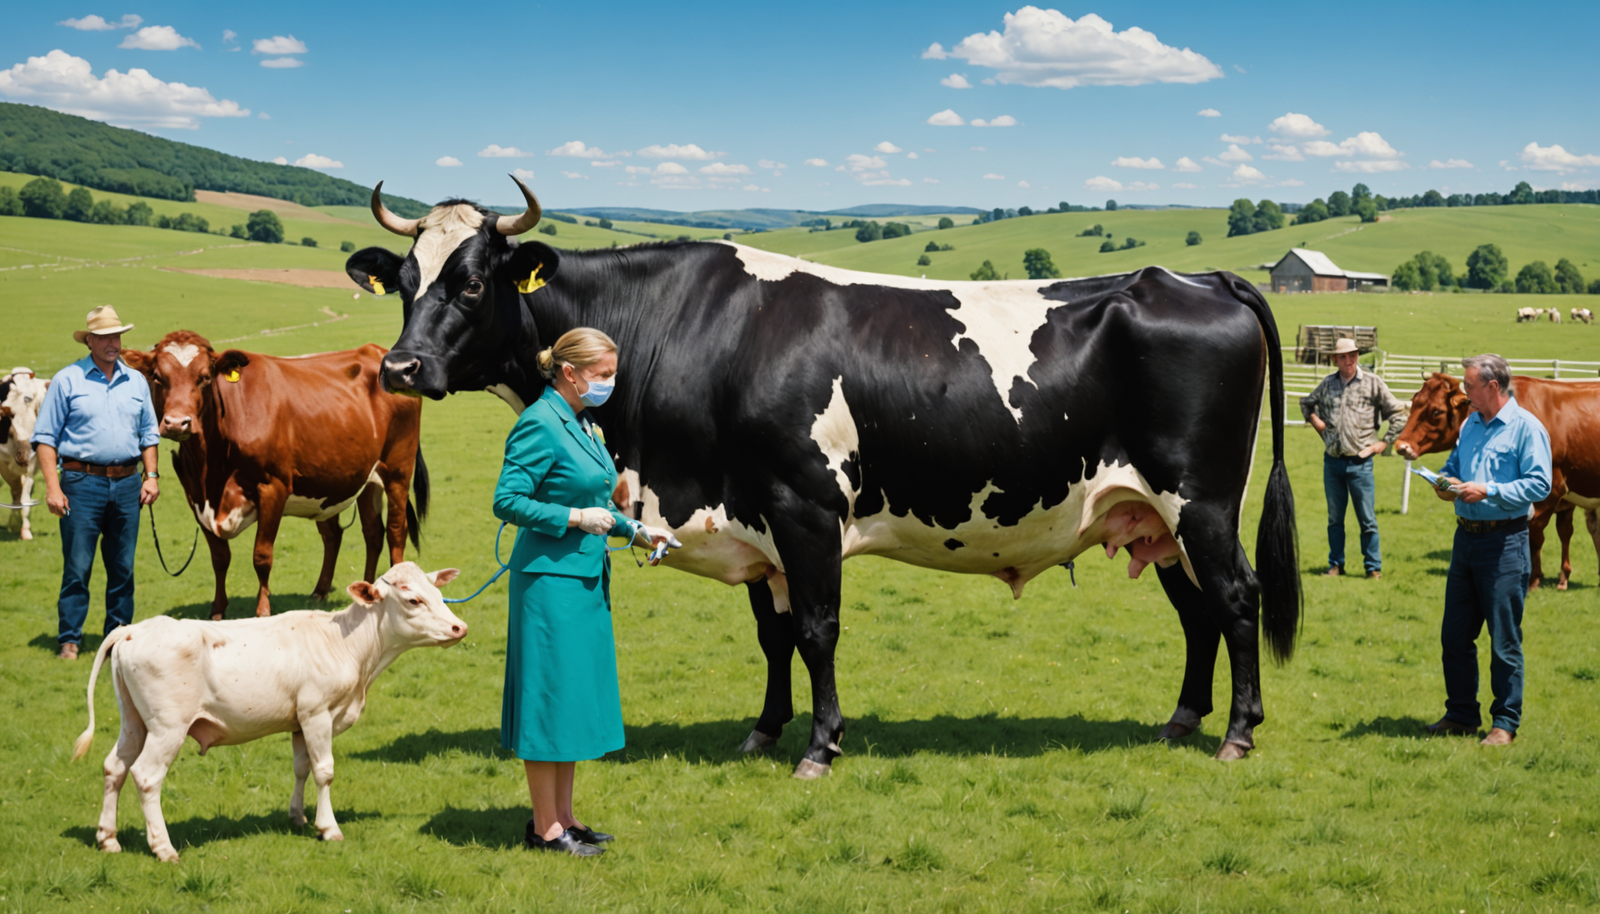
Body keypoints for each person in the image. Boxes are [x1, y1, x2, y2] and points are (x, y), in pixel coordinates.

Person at [492, 327, 679, 856]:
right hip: (548, 585)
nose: (609, 385)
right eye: (602, 376)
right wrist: (572, 516)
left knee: (570, 700)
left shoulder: (582, 422)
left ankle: (567, 819)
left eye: (611, 375)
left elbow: (601, 503)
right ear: (570, 374)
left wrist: (640, 531)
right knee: (548, 701)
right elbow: (508, 500)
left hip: (584, 580)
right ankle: (543, 828)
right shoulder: (539, 423)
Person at [1425, 354, 1550, 746]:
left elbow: (1539, 485)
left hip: (1504, 542)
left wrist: (1489, 489)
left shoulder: (1526, 429)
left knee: (1503, 639)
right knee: (1455, 635)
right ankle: (1461, 714)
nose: (1464, 394)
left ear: (1493, 387)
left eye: (1470, 387)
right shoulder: (1469, 426)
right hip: (1466, 539)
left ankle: (1505, 723)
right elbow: (1454, 465)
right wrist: (1444, 482)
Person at [32, 306, 160, 660]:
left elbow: (149, 433)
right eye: (104, 337)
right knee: (77, 565)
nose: (112, 343)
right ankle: (70, 639)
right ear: (89, 340)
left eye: (116, 336)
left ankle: (117, 640)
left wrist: (151, 476)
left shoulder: (135, 381)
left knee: (123, 567)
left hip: (127, 484)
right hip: (80, 483)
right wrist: (53, 487)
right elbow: (45, 439)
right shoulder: (67, 379)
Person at [1299, 338, 1408, 579]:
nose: (1348, 360)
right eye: (1343, 356)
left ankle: (1373, 568)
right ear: (1335, 359)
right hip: (1333, 463)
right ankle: (1335, 565)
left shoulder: (1372, 383)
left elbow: (1399, 413)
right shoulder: (1327, 384)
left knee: (1367, 519)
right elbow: (1306, 403)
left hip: (1361, 463)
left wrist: (1384, 442)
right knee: (1334, 519)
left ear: (1358, 355)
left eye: (1353, 355)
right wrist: (1317, 423)